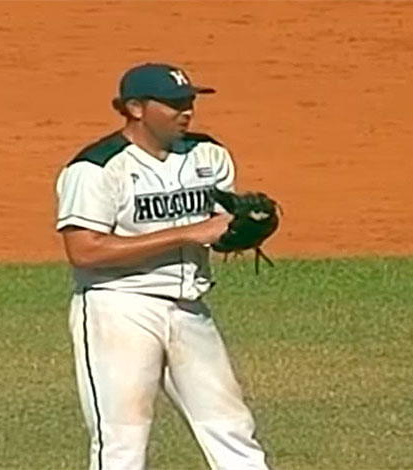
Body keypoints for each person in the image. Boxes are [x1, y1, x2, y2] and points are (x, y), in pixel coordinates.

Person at [55, 63, 270, 470]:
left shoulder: (209, 154)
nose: (186, 111)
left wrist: (241, 230)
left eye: (189, 101)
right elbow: (85, 251)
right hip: (119, 308)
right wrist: (187, 233)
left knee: (230, 425)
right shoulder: (97, 168)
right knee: (123, 439)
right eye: (173, 104)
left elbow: (216, 225)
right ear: (135, 108)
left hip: (190, 308)